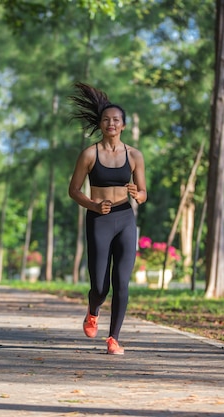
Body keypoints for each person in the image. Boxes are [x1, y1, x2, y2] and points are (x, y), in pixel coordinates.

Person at [68, 82, 147, 355]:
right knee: (100, 286)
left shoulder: (134, 155)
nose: (111, 123)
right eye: (106, 119)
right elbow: (74, 190)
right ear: (100, 124)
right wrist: (92, 204)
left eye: (116, 120)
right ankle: (93, 309)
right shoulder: (89, 154)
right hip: (98, 220)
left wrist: (139, 194)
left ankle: (113, 338)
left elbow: (144, 192)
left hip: (125, 217)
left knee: (121, 281)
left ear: (123, 125)